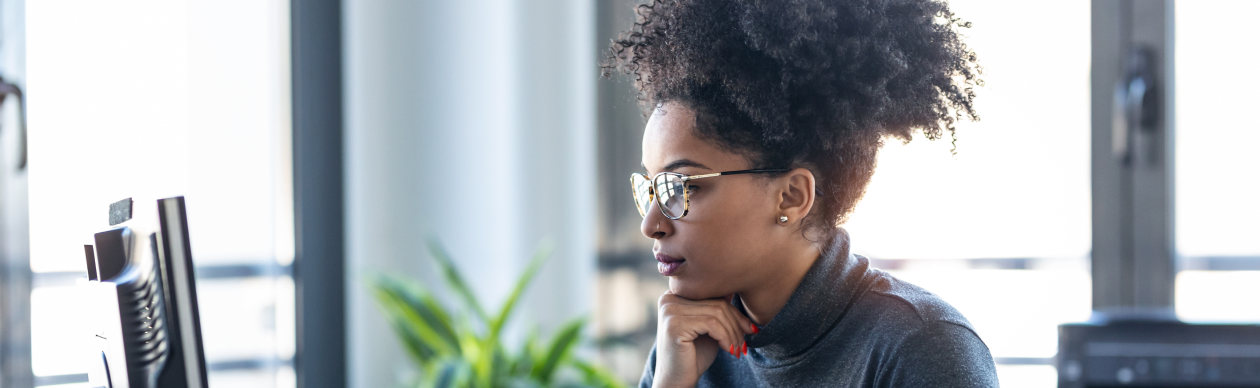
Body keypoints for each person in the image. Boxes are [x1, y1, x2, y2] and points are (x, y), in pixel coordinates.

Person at [601, 0, 998, 386]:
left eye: (681, 187)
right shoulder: (684, 345)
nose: (650, 224)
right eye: (651, 188)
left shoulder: (922, 348)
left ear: (791, 196)